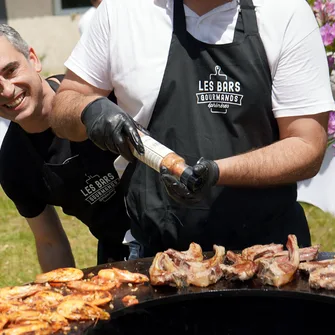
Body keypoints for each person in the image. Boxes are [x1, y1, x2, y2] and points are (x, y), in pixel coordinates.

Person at [50, 0, 335, 257]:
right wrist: (87, 110)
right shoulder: (122, 12)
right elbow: (64, 105)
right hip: (158, 256)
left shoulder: (284, 12)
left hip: (269, 255)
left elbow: (306, 146)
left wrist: (216, 172)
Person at [0, 24, 131, 271]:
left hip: (178, 227)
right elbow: (50, 242)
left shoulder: (99, 92)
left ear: (33, 59)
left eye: (10, 70)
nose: (7, 90)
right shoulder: (13, 164)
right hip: (118, 255)